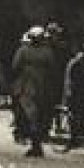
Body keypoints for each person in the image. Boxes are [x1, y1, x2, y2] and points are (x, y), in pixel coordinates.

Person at [12, 25, 57, 158]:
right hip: (43, 86)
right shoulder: (48, 52)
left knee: (27, 114)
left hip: (27, 85)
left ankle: (33, 143)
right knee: (41, 114)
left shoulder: (23, 51)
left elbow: (15, 66)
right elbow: (53, 69)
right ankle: (37, 144)